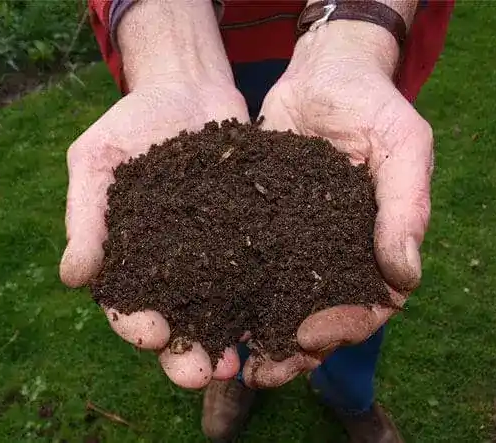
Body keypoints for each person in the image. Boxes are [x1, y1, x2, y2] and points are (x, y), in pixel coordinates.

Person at [59, 1, 454, 441]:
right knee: (231, 305)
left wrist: (358, 30)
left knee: (362, 286)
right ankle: (233, 375)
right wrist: (170, 44)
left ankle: (350, 396)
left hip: (357, 41)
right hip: (213, 39)